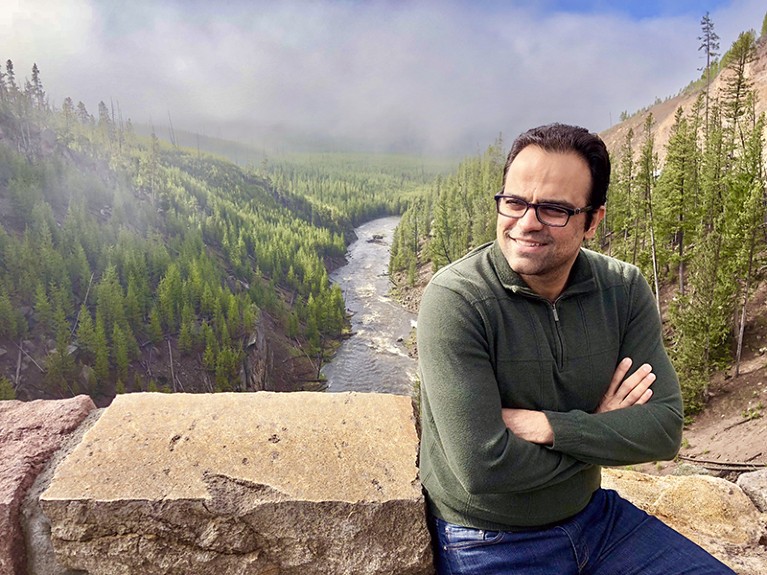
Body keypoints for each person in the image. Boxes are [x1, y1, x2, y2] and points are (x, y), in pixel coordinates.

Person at [417, 123, 735, 575]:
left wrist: (552, 427)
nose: (527, 223)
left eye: (554, 210)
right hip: (489, 539)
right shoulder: (458, 299)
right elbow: (483, 469)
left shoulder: (622, 289)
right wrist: (602, 428)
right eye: (515, 202)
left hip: (598, 521)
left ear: (593, 220)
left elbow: (663, 429)